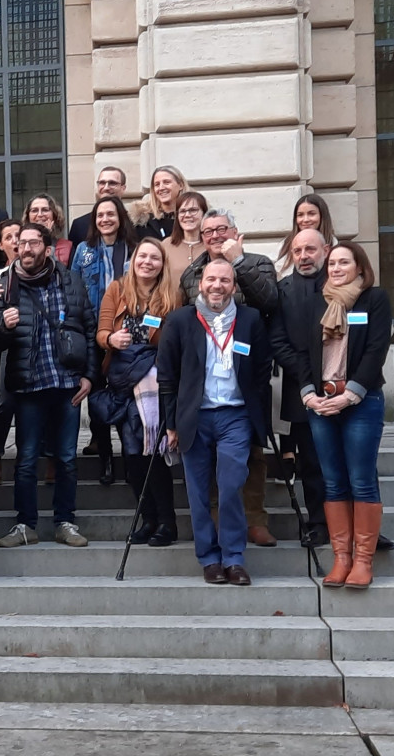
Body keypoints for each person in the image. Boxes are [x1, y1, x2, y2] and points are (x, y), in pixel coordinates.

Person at [157, 259, 271, 586]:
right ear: (201, 284)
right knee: (196, 490)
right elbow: (167, 376)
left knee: (232, 482)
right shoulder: (180, 320)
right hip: (195, 416)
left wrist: (256, 409)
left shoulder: (249, 320)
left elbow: (263, 368)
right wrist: (171, 423)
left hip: (235, 415)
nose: (217, 285)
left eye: (224, 280)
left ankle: (233, 558)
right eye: (211, 279)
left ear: (234, 286)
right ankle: (209, 558)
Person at [0, 223, 97, 549]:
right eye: (22, 243)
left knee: (65, 458)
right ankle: (25, 524)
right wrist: (2, 326)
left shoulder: (70, 281)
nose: (27, 249)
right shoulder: (5, 285)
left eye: (34, 243)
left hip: (67, 385)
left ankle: (65, 521)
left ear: (47, 249)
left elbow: (88, 328)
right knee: (26, 458)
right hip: (28, 385)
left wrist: (89, 376)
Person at [179, 208, 281, 548]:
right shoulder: (192, 273)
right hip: (208, 382)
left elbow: (269, 302)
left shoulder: (258, 262)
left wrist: (238, 264)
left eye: (221, 229)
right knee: (210, 464)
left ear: (235, 231)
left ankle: (254, 518)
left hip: (247, 376)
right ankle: (217, 521)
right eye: (208, 231)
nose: (214, 236)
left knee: (251, 454)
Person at [304, 242, 392, 590]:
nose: (337, 268)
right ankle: (341, 558)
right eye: (333, 263)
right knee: (332, 481)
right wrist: (308, 394)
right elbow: (301, 352)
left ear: (359, 267)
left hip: (361, 399)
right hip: (321, 403)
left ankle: (363, 560)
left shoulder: (375, 299)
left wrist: (350, 394)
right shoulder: (316, 302)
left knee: (361, 480)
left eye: (345, 262)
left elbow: (376, 349)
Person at [95, 237, 182, 546]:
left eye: (154, 258)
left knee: (155, 453)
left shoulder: (173, 295)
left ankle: (166, 523)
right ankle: (147, 518)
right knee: (133, 455)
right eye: (142, 256)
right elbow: (101, 330)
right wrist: (110, 339)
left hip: (157, 382)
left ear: (162, 264)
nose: (147, 262)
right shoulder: (117, 289)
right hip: (123, 381)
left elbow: (177, 340)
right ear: (133, 260)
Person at [268, 229, 332, 548]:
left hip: (345, 391)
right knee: (311, 463)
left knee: (352, 464)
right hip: (302, 391)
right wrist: (309, 379)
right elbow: (278, 341)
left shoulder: (344, 285)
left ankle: (361, 528)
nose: (304, 256)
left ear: (326, 250)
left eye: (310, 249)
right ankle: (318, 523)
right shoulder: (283, 291)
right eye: (298, 250)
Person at [71, 196, 137, 486]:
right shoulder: (84, 251)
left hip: (126, 331)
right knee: (97, 396)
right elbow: (74, 288)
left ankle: (130, 455)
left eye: (111, 214)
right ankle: (105, 458)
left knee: (125, 394)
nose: (105, 219)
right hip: (92, 329)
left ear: (120, 217)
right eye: (100, 215)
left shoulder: (134, 250)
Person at [0, 218, 23, 485]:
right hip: (7, 341)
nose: (15, 242)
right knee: (3, 401)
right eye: (9, 237)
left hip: (34, 340)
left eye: (18, 236)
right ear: (1, 245)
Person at [67, 165, 127, 251]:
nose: (106, 187)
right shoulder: (79, 225)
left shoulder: (135, 222)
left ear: (123, 188)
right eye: (102, 183)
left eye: (112, 183)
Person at [276, 193, 337, 277]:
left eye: (311, 214)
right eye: (300, 215)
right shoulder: (285, 244)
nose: (305, 220)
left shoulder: (334, 245)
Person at [128, 165, 188, 241]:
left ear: (181, 185)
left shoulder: (192, 217)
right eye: (157, 184)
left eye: (166, 182)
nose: (161, 188)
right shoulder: (141, 221)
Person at [162, 191, 208, 280]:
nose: (187, 215)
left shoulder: (211, 245)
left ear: (204, 213)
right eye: (182, 211)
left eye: (193, 210)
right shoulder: (166, 245)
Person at [25, 193, 72, 266]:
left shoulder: (67, 247)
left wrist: (47, 237)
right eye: (34, 210)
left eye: (45, 210)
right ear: (28, 217)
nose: (40, 214)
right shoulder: (21, 246)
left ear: (54, 215)